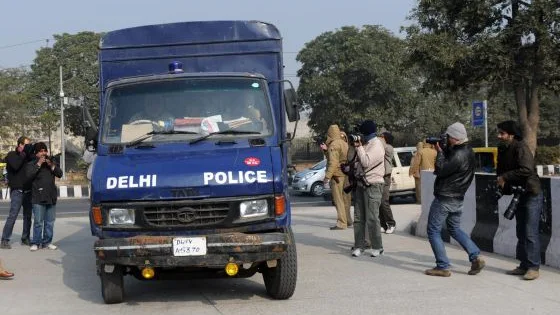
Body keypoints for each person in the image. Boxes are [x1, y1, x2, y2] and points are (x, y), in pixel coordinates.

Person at [425, 122, 485, 277]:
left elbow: (441, 170)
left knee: (433, 230)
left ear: (454, 137)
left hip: (445, 198)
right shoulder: (468, 151)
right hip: (458, 198)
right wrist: (445, 149)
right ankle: (475, 255)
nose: (446, 139)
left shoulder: (458, 154)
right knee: (454, 229)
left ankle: (442, 266)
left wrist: (439, 152)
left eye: (448, 136)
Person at [496, 120, 543, 280]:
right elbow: (501, 171)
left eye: (502, 133)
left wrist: (505, 176)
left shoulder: (521, 147)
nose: (499, 136)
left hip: (531, 193)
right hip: (518, 194)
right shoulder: (502, 149)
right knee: (520, 231)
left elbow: (526, 170)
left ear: (511, 135)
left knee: (530, 232)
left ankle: (533, 267)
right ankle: (523, 265)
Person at [351, 120, 385, 257]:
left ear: (365, 133)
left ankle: (377, 247)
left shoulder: (377, 145)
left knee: (372, 218)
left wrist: (359, 147)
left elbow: (366, 162)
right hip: (361, 184)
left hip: (373, 185)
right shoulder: (367, 144)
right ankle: (359, 245)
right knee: (359, 218)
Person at [24, 143, 63, 251]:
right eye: (41, 151)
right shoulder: (31, 164)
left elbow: (60, 174)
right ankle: (36, 242)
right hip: (38, 197)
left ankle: (47, 242)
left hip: (51, 196)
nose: (43, 153)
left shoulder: (51, 162)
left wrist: (51, 165)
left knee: (50, 222)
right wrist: (39, 164)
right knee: (38, 222)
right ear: (36, 153)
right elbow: (28, 176)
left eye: (45, 151)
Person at [1, 136, 33, 249]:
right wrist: (23, 154)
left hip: (28, 190)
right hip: (17, 191)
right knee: (13, 215)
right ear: (20, 144)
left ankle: (25, 238)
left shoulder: (28, 157)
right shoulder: (11, 155)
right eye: (26, 145)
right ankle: (5, 240)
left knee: (28, 216)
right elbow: (15, 166)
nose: (28, 147)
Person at [322, 124, 350, 230]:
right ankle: (348, 220)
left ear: (330, 133)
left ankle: (342, 223)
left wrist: (327, 177)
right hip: (346, 174)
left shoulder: (333, 145)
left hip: (337, 175)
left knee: (338, 200)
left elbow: (333, 162)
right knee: (346, 199)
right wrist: (326, 151)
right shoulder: (344, 143)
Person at [379, 131, 396, 234]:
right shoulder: (381, 145)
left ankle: (391, 223)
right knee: (378, 202)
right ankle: (382, 224)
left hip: (386, 177)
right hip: (379, 176)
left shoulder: (389, 147)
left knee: (384, 201)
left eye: (382, 137)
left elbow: (382, 148)